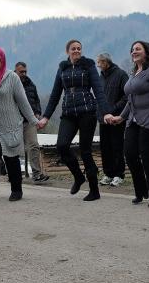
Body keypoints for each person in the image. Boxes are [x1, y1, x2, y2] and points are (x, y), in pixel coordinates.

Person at [38, 40, 111, 201]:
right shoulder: (62, 68)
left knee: (85, 151)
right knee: (62, 146)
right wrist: (45, 117)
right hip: (68, 113)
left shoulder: (89, 65)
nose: (76, 50)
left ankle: (94, 191)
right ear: (67, 51)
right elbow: (55, 94)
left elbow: (98, 90)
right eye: (73, 48)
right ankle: (78, 177)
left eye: (79, 48)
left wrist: (105, 112)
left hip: (87, 113)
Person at [107, 41, 149, 208]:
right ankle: (141, 191)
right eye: (132, 50)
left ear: (147, 53)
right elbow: (130, 101)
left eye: (138, 49)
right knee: (129, 154)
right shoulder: (134, 73)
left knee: (147, 156)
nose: (134, 52)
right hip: (134, 120)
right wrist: (120, 118)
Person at [0, 48, 41, 201]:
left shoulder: (12, 78)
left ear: (2, 60)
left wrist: (33, 121)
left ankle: (17, 190)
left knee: (11, 158)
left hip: (10, 125)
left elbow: (23, 102)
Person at [96, 53, 128, 187]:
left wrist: (113, 110)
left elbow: (127, 96)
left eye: (99, 62)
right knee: (105, 148)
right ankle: (108, 174)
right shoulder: (100, 77)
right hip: (103, 119)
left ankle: (119, 175)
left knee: (117, 147)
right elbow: (98, 97)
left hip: (117, 118)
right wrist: (102, 114)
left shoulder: (121, 75)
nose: (98, 65)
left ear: (106, 62)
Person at [14, 61, 49, 184]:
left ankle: (37, 174)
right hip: (14, 121)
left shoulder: (30, 84)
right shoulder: (10, 83)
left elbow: (37, 101)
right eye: (21, 72)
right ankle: (13, 173)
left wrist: (38, 113)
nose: (23, 74)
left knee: (34, 145)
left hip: (29, 121)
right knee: (13, 148)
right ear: (15, 71)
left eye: (25, 71)